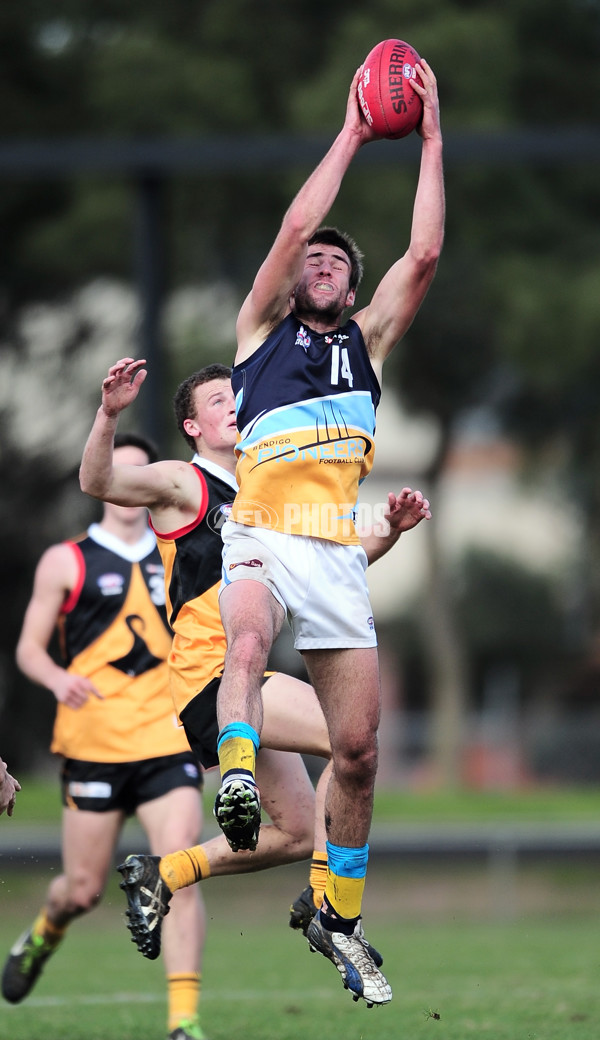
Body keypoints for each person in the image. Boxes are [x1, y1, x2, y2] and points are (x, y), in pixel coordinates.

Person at [78, 357, 430, 994]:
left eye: (237, 395)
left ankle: (165, 874)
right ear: (191, 425)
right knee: (346, 741)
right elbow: (98, 479)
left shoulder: (271, 493)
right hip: (212, 681)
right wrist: (109, 414)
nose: (235, 407)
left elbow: (336, 567)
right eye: (218, 401)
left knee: (298, 831)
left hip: (244, 682)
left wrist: (393, 531)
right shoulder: (186, 485)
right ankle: (330, 911)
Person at [212, 57, 444, 1008]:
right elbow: (297, 223)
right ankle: (235, 776)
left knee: (358, 749)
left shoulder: (370, 343)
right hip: (263, 528)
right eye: (312, 258)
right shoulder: (259, 330)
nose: (320, 261)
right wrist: (353, 131)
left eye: (338, 262)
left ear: (352, 287)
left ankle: (337, 918)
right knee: (251, 635)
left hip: (336, 550)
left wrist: (431, 135)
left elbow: (423, 255)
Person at [1, 434, 207, 1040]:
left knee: (180, 869)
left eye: (141, 473)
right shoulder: (66, 560)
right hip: (93, 746)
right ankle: (44, 934)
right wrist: (59, 679)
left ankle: (184, 1022)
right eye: (119, 472)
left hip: (168, 742)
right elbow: (28, 651)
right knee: (84, 890)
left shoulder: (181, 553)